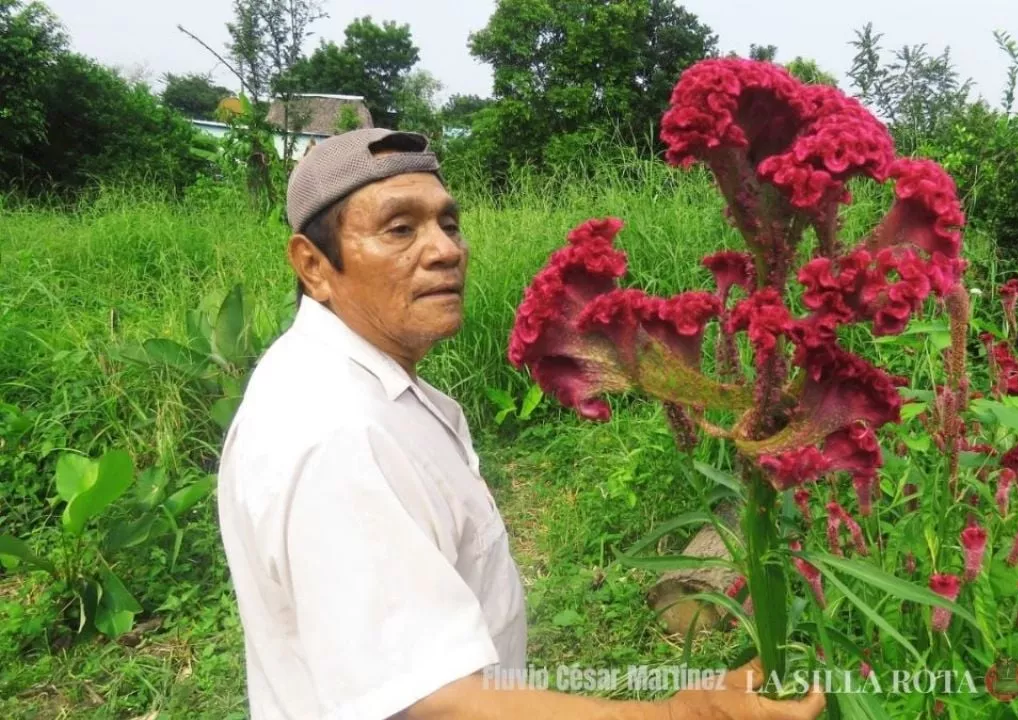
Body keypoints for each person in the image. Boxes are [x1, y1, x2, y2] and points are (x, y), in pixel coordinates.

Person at [216, 128, 825, 720]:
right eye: (400, 228)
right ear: (313, 265)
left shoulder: (363, 389)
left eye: (448, 224)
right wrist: (676, 716)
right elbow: (437, 704)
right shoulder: (337, 432)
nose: (446, 249)